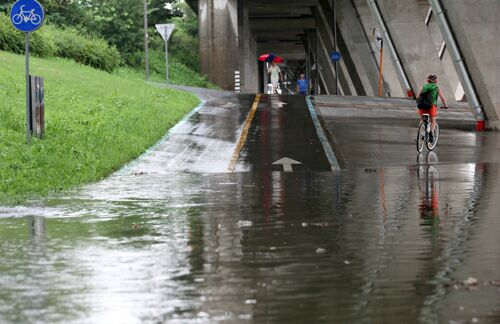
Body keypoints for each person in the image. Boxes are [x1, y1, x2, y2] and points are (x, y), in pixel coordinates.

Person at [416, 74, 448, 143]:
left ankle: (420, 135)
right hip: (432, 106)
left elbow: (417, 96)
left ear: (427, 80)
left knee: (422, 120)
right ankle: (431, 133)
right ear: (436, 81)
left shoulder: (423, 86)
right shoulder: (436, 88)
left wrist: (419, 103)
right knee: (433, 121)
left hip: (422, 106)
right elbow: (442, 98)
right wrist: (445, 106)